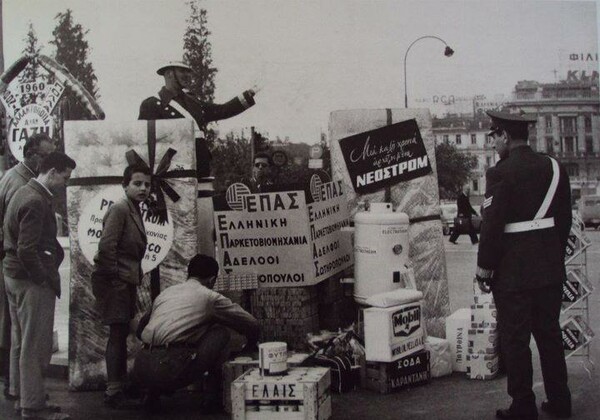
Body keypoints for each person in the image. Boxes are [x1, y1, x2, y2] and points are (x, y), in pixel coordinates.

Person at [475, 111, 572, 420]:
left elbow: (491, 228)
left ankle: (523, 406)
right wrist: (551, 256)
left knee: (515, 341)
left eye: (494, 136)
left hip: (513, 276)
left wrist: (485, 269)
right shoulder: (555, 168)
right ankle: (560, 402)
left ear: (504, 136)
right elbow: (565, 221)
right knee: (550, 336)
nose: (492, 143)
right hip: (549, 270)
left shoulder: (500, 173)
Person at [132, 254, 259, 411]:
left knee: (175, 340)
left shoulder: (166, 293)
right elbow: (251, 323)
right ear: (212, 280)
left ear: (189, 273)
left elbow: (140, 329)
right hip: (172, 370)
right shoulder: (209, 297)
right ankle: (212, 399)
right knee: (220, 333)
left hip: (141, 367)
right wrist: (251, 345)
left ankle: (151, 395)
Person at [3, 152, 75, 420]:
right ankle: (33, 407)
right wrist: (42, 277)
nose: (65, 184)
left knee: (21, 341)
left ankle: (22, 394)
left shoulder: (24, 191)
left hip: (13, 276)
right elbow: (26, 249)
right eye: (65, 178)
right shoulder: (35, 200)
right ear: (53, 172)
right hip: (29, 281)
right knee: (35, 345)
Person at [90, 164, 151, 409]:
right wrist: (117, 279)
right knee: (117, 333)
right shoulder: (119, 209)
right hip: (114, 281)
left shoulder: (133, 209)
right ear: (125, 185)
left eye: (147, 184)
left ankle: (119, 384)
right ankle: (113, 390)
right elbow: (106, 248)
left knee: (121, 331)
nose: (143, 188)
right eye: (137, 183)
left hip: (124, 280)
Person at [0, 134, 56, 400]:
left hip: (12, 266)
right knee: (24, 335)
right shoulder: (22, 185)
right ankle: (28, 397)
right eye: (47, 156)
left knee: (18, 333)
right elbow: (23, 240)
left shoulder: (19, 181)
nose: (50, 161)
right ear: (32, 155)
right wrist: (40, 275)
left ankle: (18, 389)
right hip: (19, 268)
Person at [138, 60, 257, 178]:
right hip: (171, 172)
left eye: (188, 72)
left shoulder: (193, 101)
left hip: (201, 166)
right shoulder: (152, 104)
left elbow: (222, 110)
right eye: (182, 71)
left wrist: (249, 94)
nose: (187, 75)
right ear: (169, 73)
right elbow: (143, 145)